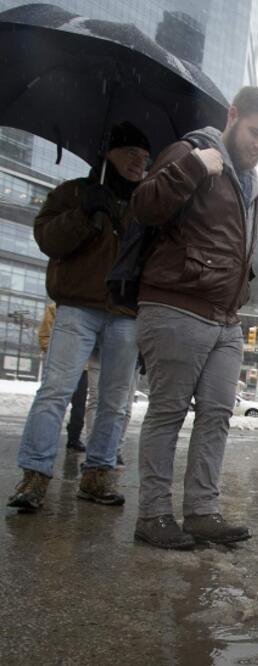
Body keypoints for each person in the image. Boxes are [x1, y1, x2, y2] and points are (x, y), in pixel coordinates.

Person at [130, 86, 258, 550]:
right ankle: (153, 515)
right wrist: (194, 167)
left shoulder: (249, 182)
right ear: (233, 116)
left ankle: (201, 511)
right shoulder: (192, 152)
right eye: (255, 133)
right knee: (168, 413)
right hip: (176, 303)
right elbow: (145, 206)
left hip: (226, 318)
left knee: (217, 415)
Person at [7, 122, 149, 511]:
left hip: (125, 312)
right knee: (55, 392)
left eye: (144, 158)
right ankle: (34, 476)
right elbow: (47, 240)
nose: (139, 163)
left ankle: (98, 474)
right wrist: (85, 212)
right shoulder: (73, 193)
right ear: (109, 154)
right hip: (78, 306)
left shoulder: (146, 205)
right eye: (131, 154)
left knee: (116, 401)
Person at [38, 302, 88, 453]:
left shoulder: (89, 310)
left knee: (79, 406)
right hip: (59, 364)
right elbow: (44, 335)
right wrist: (54, 354)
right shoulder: (55, 307)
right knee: (52, 402)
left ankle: (74, 439)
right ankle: (43, 441)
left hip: (83, 368)